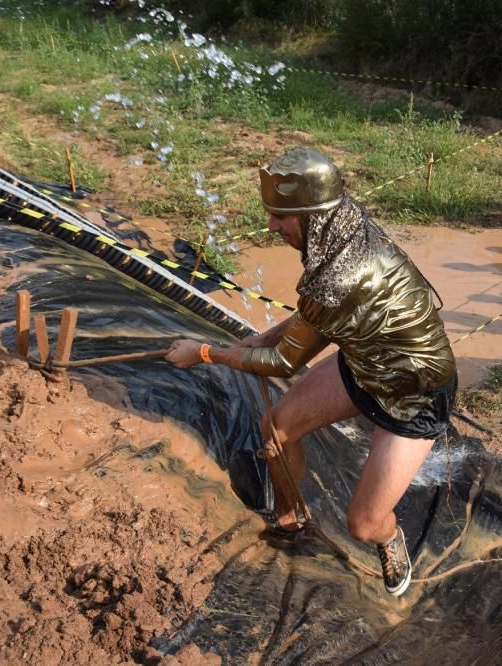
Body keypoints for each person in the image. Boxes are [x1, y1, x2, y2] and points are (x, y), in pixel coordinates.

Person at [165, 147, 458, 597]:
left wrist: (205, 353)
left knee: (363, 523)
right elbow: (316, 314)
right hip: (364, 364)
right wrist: (262, 337)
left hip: (412, 393)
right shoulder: (338, 232)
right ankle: (288, 518)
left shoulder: (341, 273)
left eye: (281, 217)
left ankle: (389, 535)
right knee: (275, 428)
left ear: (311, 216)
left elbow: (286, 362)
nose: (272, 227)